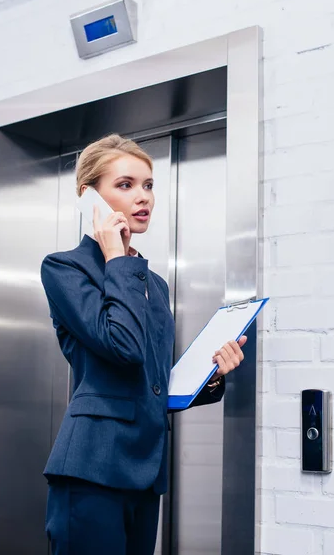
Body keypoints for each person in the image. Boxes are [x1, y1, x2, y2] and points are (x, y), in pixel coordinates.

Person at [40, 134, 246, 555]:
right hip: (92, 469)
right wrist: (115, 256)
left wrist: (210, 376)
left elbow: (152, 381)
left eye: (148, 185)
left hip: (147, 472)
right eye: (125, 184)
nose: (143, 197)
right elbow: (124, 346)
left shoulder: (152, 283)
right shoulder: (64, 268)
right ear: (88, 198)